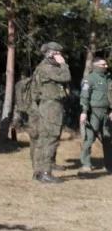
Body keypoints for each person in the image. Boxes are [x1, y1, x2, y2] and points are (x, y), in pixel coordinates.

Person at [29, 42, 71, 183]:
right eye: (58, 54)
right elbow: (66, 77)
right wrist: (64, 64)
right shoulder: (47, 68)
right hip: (51, 106)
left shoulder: (43, 67)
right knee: (50, 139)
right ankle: (45, 172)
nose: (60, 56)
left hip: (47, 105)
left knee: (44, 139)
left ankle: (39, 172)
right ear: (51, 54)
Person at [78, 57, 111, 173]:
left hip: (107, 113)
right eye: (103, 65)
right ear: (96, 66)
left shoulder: (108, 79)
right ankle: (86, 164)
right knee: (89, 138)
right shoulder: (89, 79)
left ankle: (109, 165)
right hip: (93, 113)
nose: (106, 66)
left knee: (108, 139)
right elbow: (84, 96)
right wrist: (84, 112)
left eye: (106, 64)